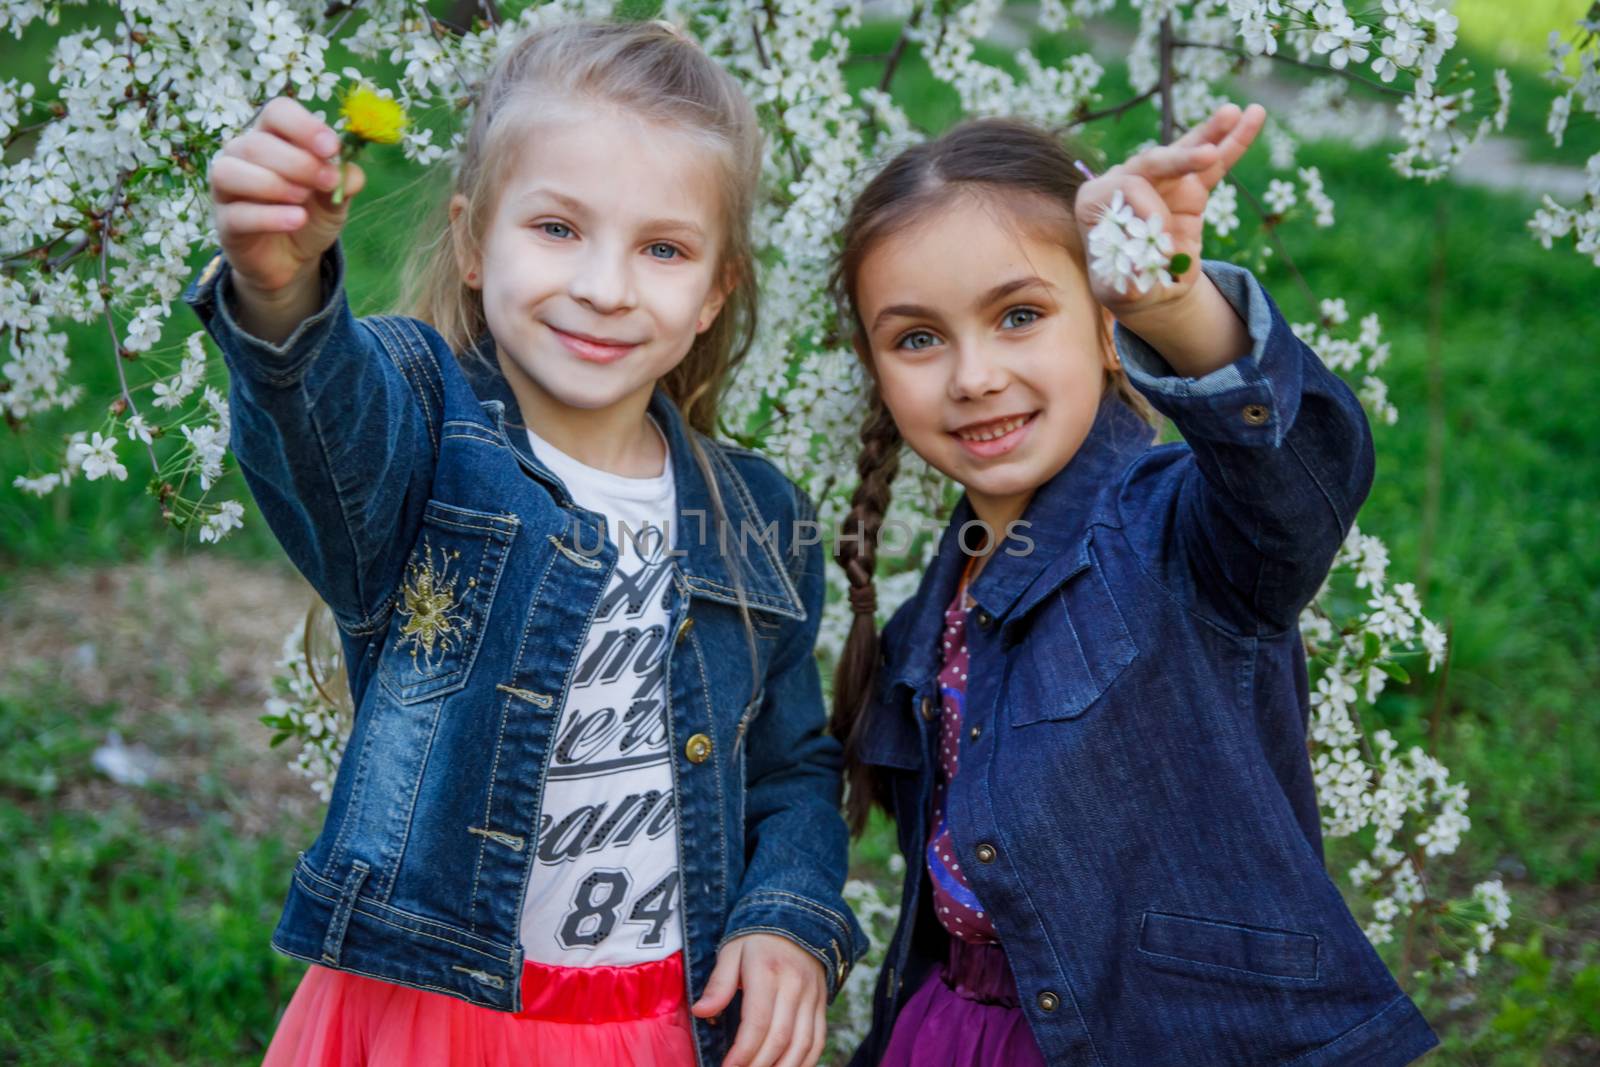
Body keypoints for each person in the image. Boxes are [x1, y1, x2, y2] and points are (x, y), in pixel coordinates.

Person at [187, 19, 862, 1067]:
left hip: (656, 1024)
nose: (604, 285)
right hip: (436, 1009)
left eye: (663, 248)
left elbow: (787, 765)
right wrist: (280, 294)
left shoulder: (755, 513)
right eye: (556, 228)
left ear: (717, 288)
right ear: (471, 239)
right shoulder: (423, 429)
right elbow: (321, 426)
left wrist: (789, 913)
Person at [829, 106, 1438, 1066]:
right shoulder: (928, 610)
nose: (974, 375)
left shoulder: (1172, 532)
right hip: (954, 1029)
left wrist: (1172, 306)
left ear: (1107, 329)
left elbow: (1294, 484)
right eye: (917, 339)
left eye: (1019, 315)